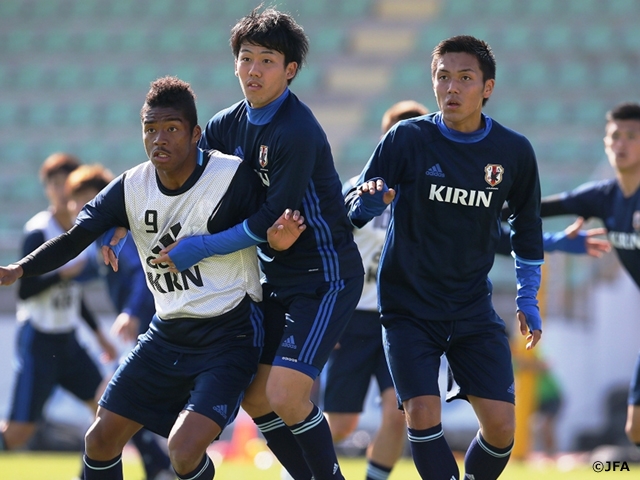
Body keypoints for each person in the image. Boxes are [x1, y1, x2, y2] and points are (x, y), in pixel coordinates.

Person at [103, 8, 365, 480]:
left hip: (324, 276)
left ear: (290, 70)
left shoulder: (297, 130)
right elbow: (178, 172)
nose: (253, 70)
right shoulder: (227, 124)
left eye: (267, 60)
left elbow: (270, 219)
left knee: (285, 394)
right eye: (246, 58)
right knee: (257, 395)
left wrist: (200, 249)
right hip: (271, 275)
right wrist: (123, 214)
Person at [0, 76, 305, 480]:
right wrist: (18, 269)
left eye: (171, 129)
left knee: (182, 450)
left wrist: (280, 248)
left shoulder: (231, 178)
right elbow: (75, 238)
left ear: (196, 134)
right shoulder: (131, 186)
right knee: (100, 439)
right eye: (150, 129)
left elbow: (272, 225)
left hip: (229, 335)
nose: (159, 139)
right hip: (166, 334)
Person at [344, 35, 544, 480]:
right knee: (420, 411)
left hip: (471, 307)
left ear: (487, 88)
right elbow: (352, 209)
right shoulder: (407, 138)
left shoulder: (513, 152)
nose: (451, 88)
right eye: (442, 77)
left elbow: (527, 232)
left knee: (501, 427)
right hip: (407, 308)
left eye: (465, 78)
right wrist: (368, 204)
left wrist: (527, 297)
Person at [511, 101, 640, 453]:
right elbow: (535, 208)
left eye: (632, 136)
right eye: (615, 136)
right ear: (605, 143)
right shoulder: (603, 197)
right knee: (635, 428)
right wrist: (483, 203)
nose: (621, 144)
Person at [322, 99, 429, 480]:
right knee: (341, 424)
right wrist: (325, 313)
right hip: (352, 319)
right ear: (385, 139)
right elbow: (326, 249)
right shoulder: (357, 189)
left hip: (400, 320)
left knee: (399, 413)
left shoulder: (430, 198)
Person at [0, 153, 117, 454]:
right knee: (17, 434)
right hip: (39, 339)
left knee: (105, 409)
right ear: (47, 189)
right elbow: (24, 292)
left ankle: (89, 474)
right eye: (53, 184)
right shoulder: (39, 230)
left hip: (68, 341)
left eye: (65, 182)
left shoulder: (83, 231)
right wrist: (61, 274)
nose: (61, 189)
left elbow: (75, 296)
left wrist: (100, 336)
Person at [66, 164, 174, 480]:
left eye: (84, 201)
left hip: (151, 327)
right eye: (75, 202)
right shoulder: (102, 236)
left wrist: (131, 312)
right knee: (118, 402)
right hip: (148, 327)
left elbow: (140, 273)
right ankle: (158, 468)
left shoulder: (115, 232)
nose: (77, 208)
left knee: (113, 398)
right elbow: (87, 270)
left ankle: (155, 467)